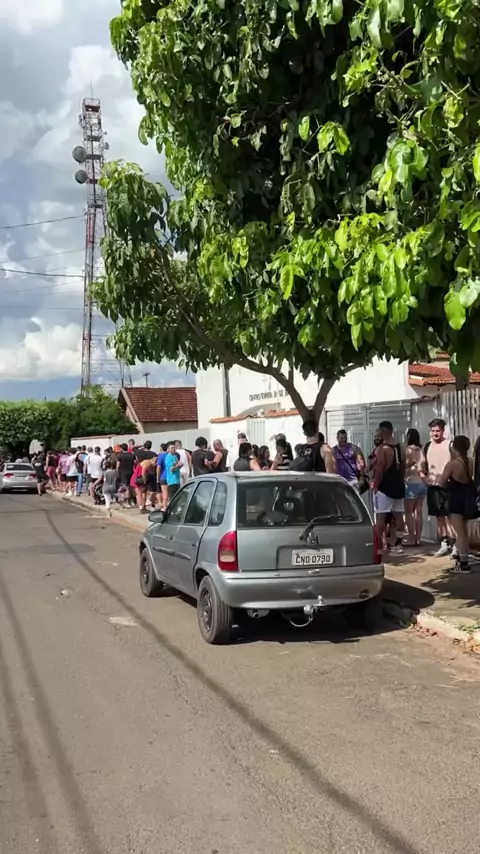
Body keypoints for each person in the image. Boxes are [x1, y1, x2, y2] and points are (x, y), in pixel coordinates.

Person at [439, 435, 477, 573]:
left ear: (454, 447)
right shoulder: (471, 461)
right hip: (468, 497)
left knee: (460, 533)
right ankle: (463, 558)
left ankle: (463, 564)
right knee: (464, 531)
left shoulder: (452, 464)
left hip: (456, 498)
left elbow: (441, 483)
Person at [420, 418, 455, 557]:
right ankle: (444, 544)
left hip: (449, 487)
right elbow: (420, 467)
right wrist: (424, 479)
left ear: (443, 431)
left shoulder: (450, 445)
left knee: (451, 517)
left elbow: (459, 463)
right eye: (433, 431)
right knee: (439, 518)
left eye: (438, 431)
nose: (435, 433)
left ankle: (455, 545)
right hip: (433, 488)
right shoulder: (426, 447)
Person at [373, 421, 405, 555]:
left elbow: (380, 469)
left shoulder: (383, 449)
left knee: (380, 518)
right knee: (399, 516)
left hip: (385, 488)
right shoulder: (401, 446)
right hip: (398, 486)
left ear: (383, 432)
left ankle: (379, 547)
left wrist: (376, 485)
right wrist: (400, 480)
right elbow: (403, 467)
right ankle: (398, 544)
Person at [403, 428, 427, 547]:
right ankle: (418, 539)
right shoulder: (422, 450)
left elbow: (406, 465)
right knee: (418, 512)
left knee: (408, 513)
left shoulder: (408, 450)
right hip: (422, 483)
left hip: (411, 483)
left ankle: (411, 538)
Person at [155, 444, 169, 510]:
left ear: (161, 448)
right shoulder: (170, 455)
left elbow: (158, 467)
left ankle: (164, 506)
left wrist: (157, 478)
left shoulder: (160, 456)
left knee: (164, 492)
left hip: (163, 476)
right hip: (171, 476)